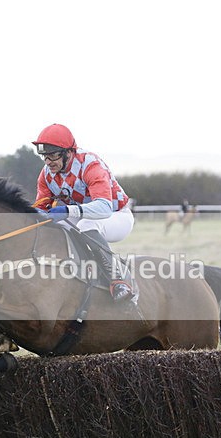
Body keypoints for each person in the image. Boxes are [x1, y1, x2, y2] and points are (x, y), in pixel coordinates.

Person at [32, 123, 135, 303]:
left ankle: (119, 280)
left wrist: (67, 210)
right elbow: (40, 208)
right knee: (55, 225)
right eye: (44, 156)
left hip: (116, 216)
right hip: (84, 216)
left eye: (53, 155)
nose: (48, 162)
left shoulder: (90, 165)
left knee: (86, 224)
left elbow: (104, 207)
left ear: (68, 152)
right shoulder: (46, 175)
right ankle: (75, 269)